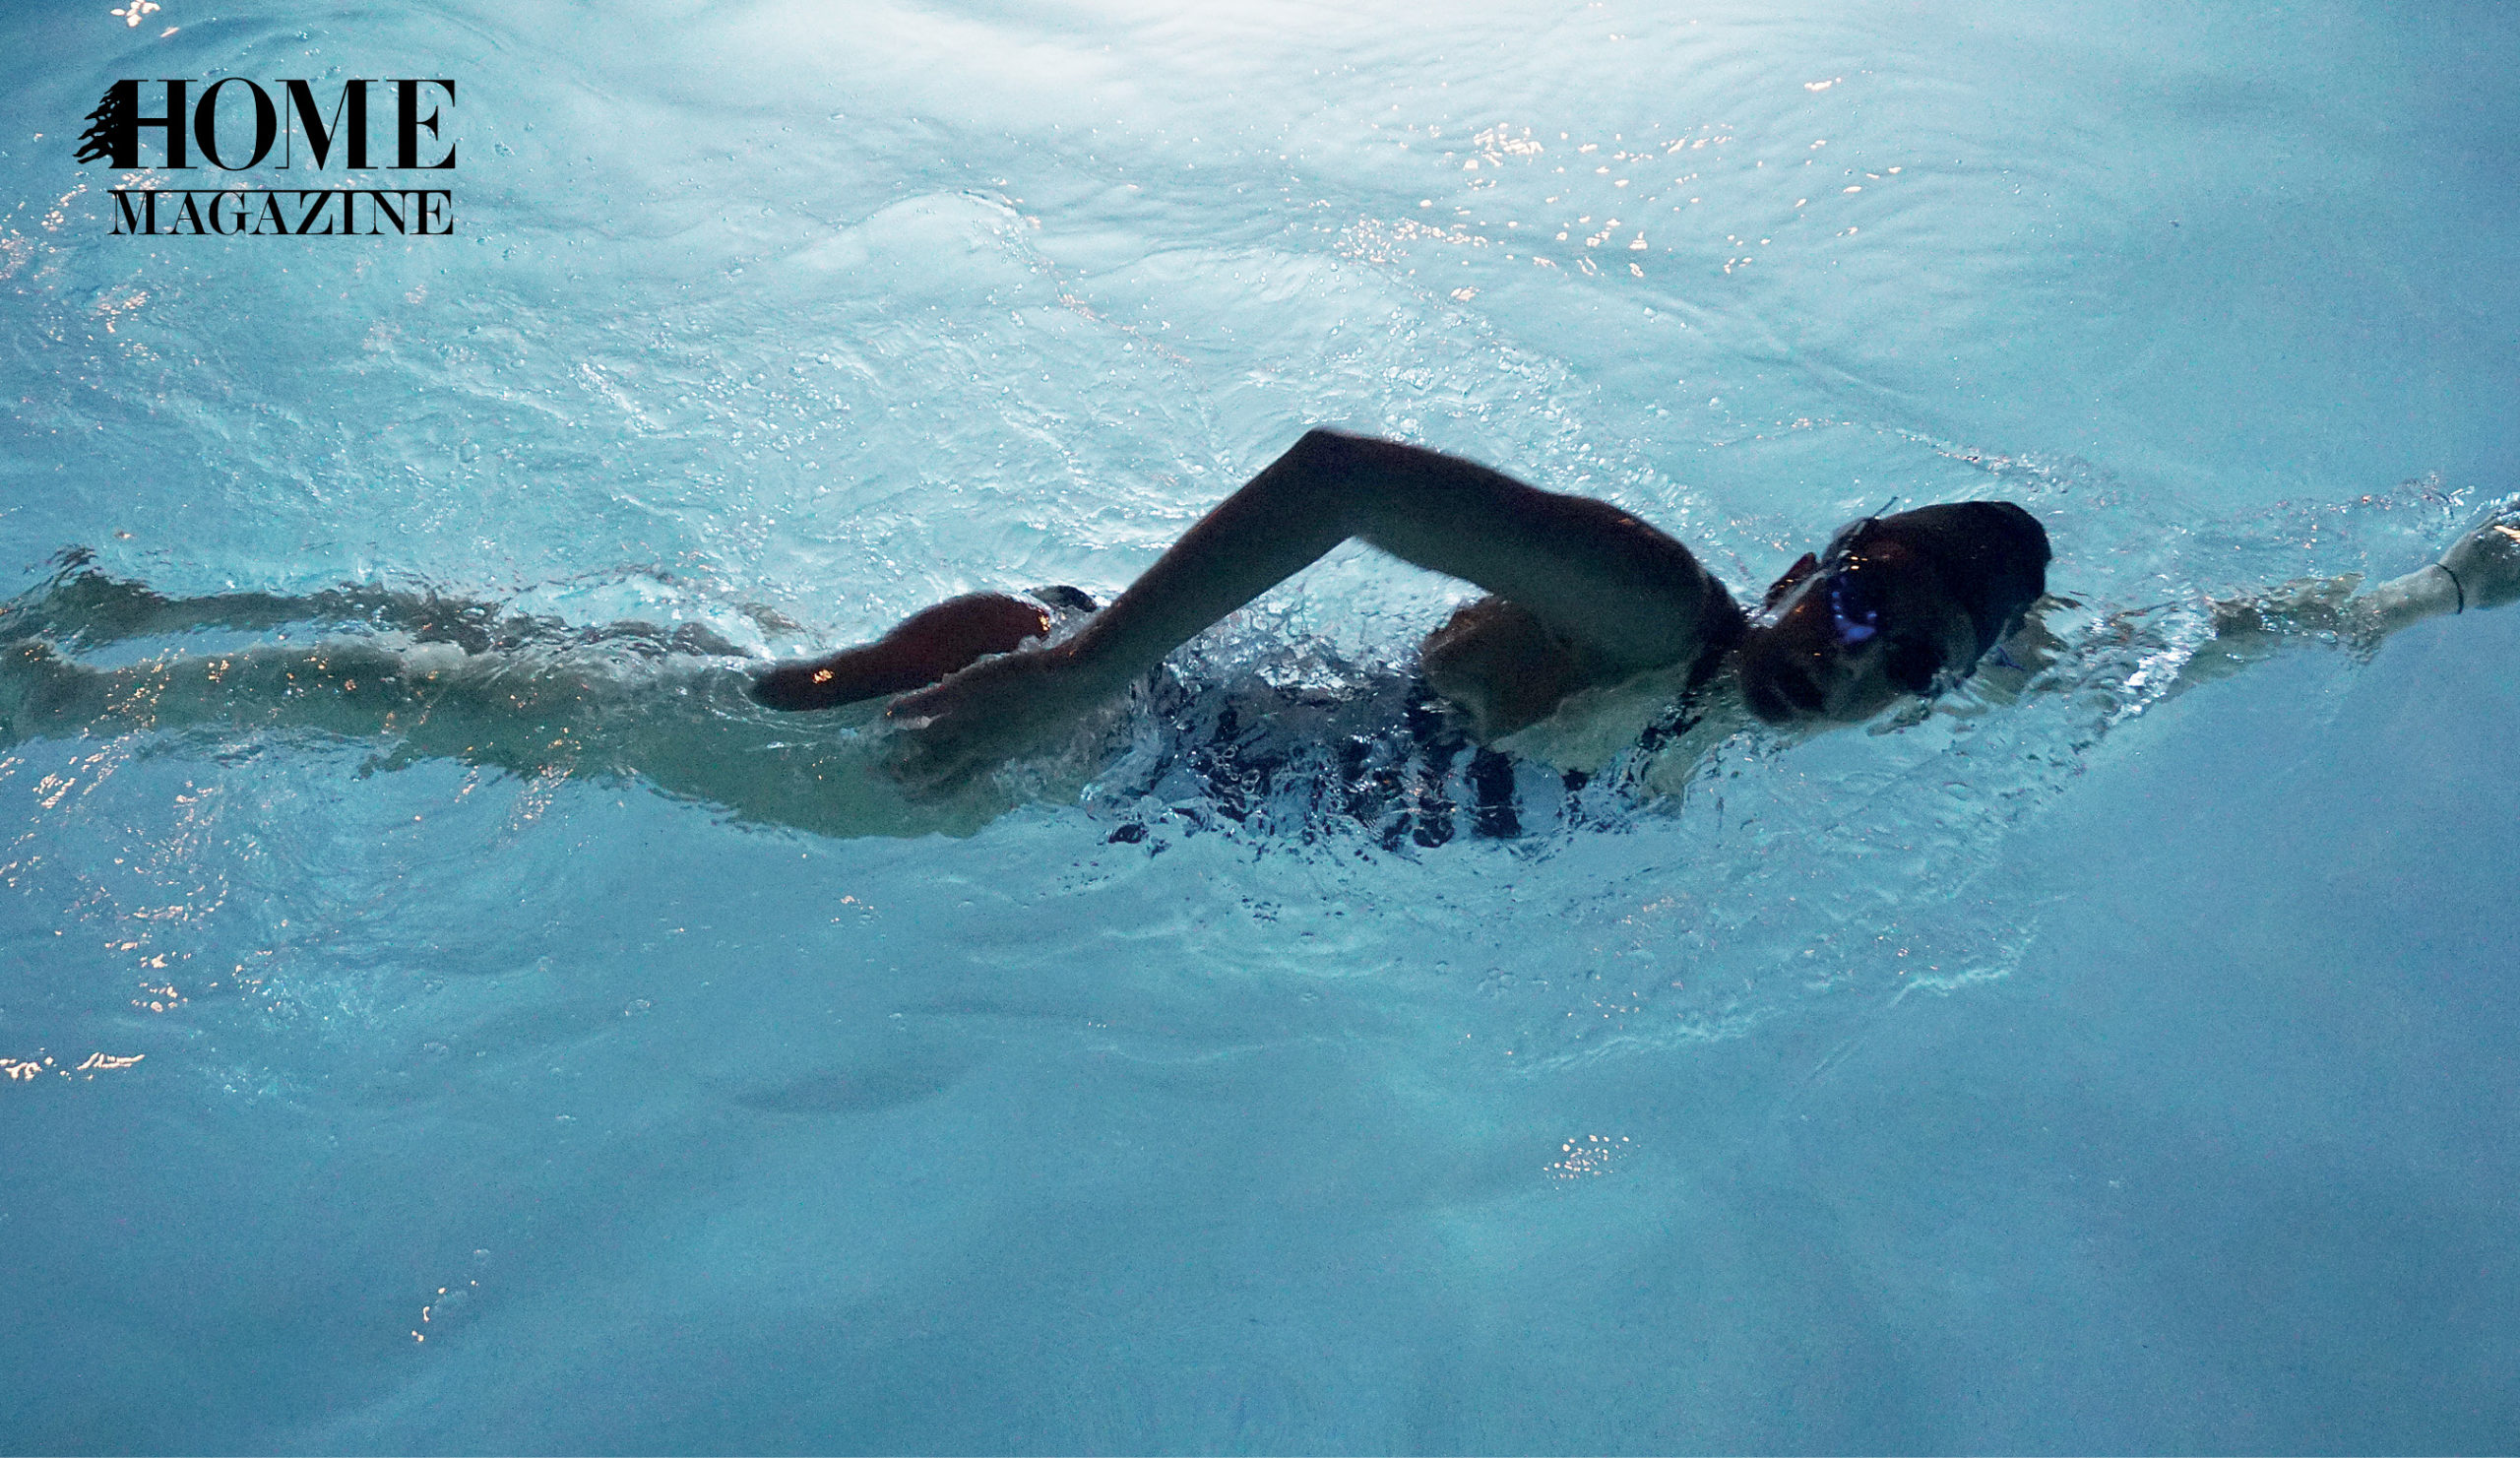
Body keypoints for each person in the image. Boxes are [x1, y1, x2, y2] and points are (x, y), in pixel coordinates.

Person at [750, 428, 2520, 797]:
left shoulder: (1899, 676)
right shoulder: (1657, 608)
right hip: (1105, 710)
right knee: (575, 715)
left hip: (1145, 788)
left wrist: (2436, 588)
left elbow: (2169, 647)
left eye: (1911, 663)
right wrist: (1068, 674)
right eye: (1859, 599)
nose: (1854, 659)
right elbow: (1343, 478)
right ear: (1819, 555)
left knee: (608, 717)